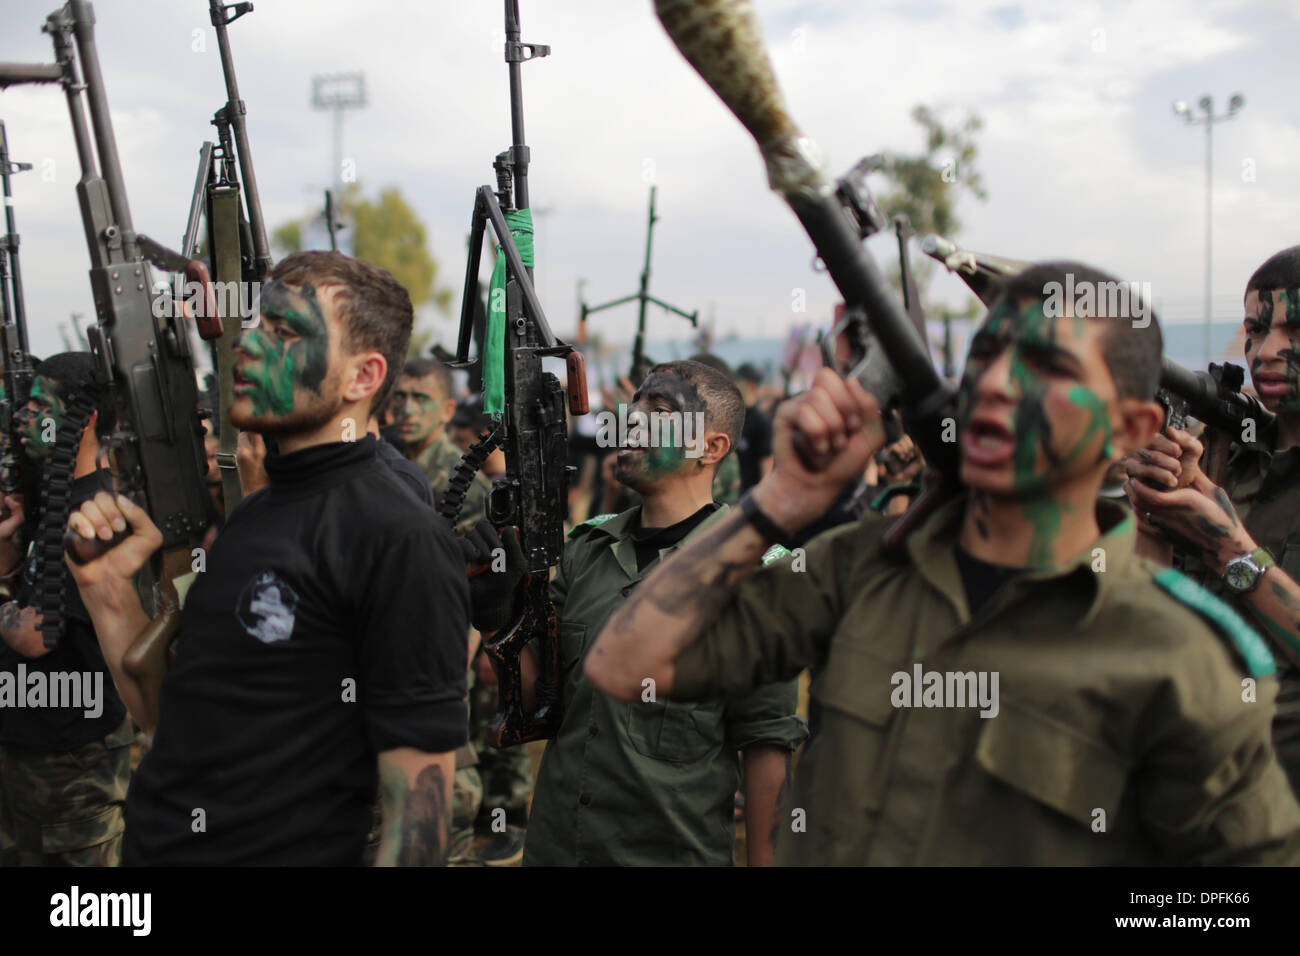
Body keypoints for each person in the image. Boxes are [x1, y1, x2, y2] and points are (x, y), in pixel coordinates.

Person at [585, 261, 1300, 865]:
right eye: (985, 357)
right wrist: (778, 502)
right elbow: (626, 665)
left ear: (1131, 428)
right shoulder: (858, 567)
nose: (993, 385)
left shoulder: (1183, 658)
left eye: (1045, 367)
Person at [66, 251, 470, 866]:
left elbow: (417, 818)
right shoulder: (255, 515)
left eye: (286, 333)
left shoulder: (397, 535)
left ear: (363, 378)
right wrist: (106, 589)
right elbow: (173, 724)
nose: (246, 346)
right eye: (256, 326)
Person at [483, 359, 807, 866]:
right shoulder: (586, 550)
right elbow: (534, 695)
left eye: (658, 411)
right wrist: (498, 611)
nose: (630, 421)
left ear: (712, 447)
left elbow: (767, 743)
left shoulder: (757, 575)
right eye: (632, 408)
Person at [1127, 244, 1300, 794]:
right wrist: (1152, 512)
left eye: (1295, 332)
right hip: (1188, 785)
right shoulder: (1221, 452)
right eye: (1255, 328)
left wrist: (1231, 550)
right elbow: (1143, 619)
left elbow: (1231, 554)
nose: (1267, 350)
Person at [0, 353, 132, 866]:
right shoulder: (57, 499)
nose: (23, 417)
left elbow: (36, 636)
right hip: (36, 750)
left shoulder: (95, 513)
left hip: (73, 762)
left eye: (40, 406)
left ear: (84, 417)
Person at [734, 363, 774, 493]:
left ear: (750, 385)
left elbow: (767, 467)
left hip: (749, 498)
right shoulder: (732, 417)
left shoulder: (761, 421)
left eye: (738, 381)